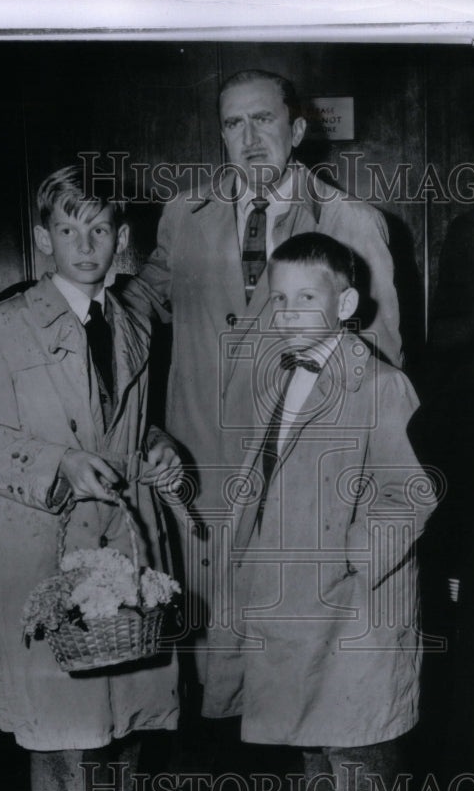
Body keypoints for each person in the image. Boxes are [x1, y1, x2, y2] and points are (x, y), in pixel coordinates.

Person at [122, 69, 401, 719]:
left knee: (294, 638)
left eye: (264, 120)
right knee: (213, 625)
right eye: (232, 123)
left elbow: (385, 360)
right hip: (198, 459)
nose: (248, 138)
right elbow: (139, 309)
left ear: (297, 130)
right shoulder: (183, 217)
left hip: (295, 465)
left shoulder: (348, 221)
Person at [0, 165, 182, 791]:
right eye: (68, 228)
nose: (85, 243)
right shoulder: (1, 326)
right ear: (44, 239)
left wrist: (159, 447)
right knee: (64, 739)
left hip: (123, 544)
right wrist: (58, 464)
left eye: (101, 228)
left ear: (120, 238)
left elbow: (129, 421)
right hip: (44, 546)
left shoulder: (135, 319)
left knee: (120, 722)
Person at [228, 232, 436, 791]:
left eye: (306, 298)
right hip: (297, 600)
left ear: (345, 302)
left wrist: (348, 556)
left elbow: (412, 494)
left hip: (357, 606)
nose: (287, 312)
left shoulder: (380, 384)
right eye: (277, 298)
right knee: (314, 739)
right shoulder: (281, 375)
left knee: (360, 752)